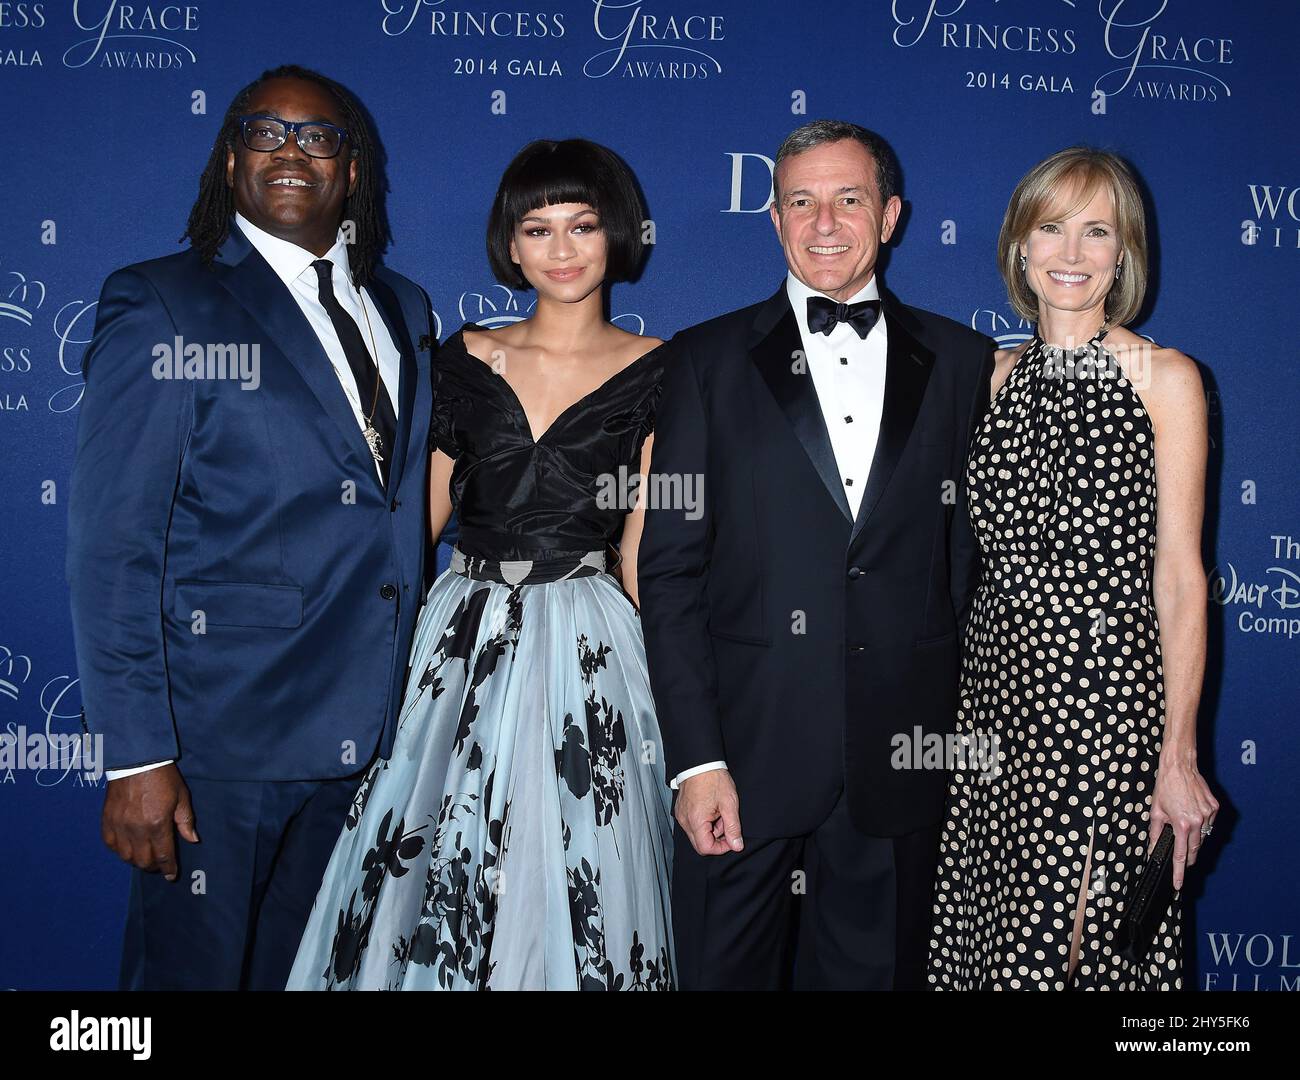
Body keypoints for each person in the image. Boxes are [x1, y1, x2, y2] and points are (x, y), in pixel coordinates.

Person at [66, 66, 435, 990]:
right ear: (230, 158)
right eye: (264, 132)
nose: (289, 151)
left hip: (365, 738)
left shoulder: (406, 309)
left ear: (352, 171)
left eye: (317, 137)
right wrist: (138, 755)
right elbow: (114, 546)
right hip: (214, 749)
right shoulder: (162, 302)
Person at [287, 138, 675, 990]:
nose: (562, 250)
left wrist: (679, 700)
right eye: (537, 229)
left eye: (582, 225)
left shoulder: (664, 371)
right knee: (429, 853)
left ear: (618, 234)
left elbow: (644, 552)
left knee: (575, 854)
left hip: (591, 635)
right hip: (458, 634)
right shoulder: (460, 359)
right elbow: (414, 528)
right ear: (510, 241)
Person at [637, 119, 994, 990]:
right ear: (773, 217)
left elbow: (972, 571)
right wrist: (696, 759)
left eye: (848, 199)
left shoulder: (963, 361)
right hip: (742, 764)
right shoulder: (703, 361)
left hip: (901, 764)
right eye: (801, 200)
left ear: (892, 213)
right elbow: (670, 570)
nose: (824, 221)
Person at [928, 146, 1220, 990]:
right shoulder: (989, 378)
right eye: (1051, 228)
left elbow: (1179, 576)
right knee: (995, 936)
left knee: (1083, 944)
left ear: (1124, 253)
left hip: (1104, 700)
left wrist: (1178, 754)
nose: (1071, 252)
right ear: (1020, 245)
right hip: (992, 694)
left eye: (1097, 232)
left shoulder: (1164, 379)